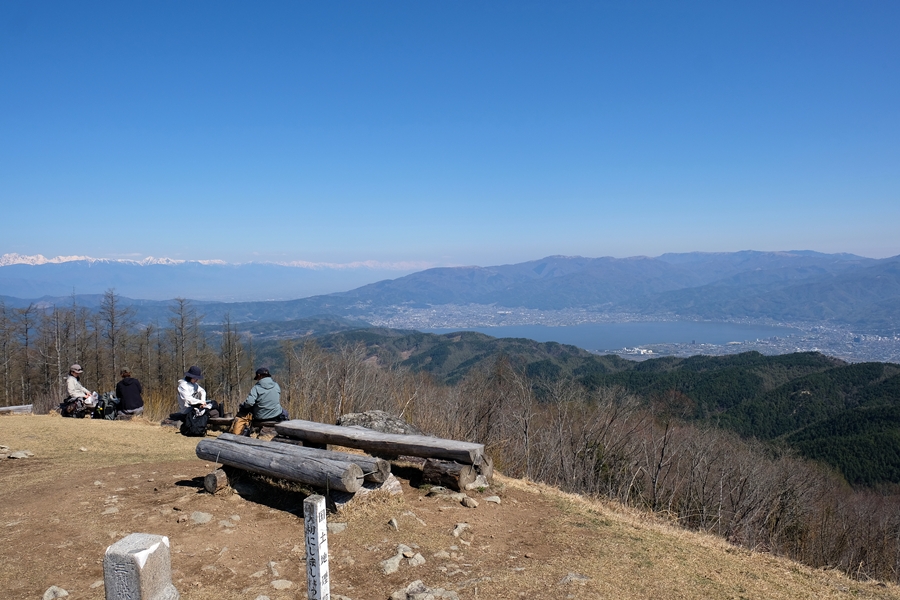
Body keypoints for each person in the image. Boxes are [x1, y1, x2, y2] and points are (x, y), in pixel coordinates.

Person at [230, 367, 285, 435]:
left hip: (261, 417)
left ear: (259, 375)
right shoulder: (276, 385)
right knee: (285, 412)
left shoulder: (256, 388)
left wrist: (244, 406)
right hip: (276, 415)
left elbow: (249, 403)